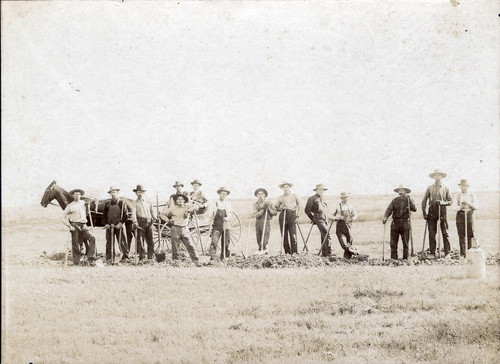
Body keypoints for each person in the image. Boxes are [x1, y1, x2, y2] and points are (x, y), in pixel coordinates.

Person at [421, 169, 453, 258]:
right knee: (432, 232)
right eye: (435, 175)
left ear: (442, 177)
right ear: (433, 177)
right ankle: (432, 253)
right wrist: (424, 212)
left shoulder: (446, 188)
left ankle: (447, 253)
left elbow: (450, 201)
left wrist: (443, 203)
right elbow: (424, 200)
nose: (437, 177)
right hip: (432, 210)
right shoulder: (429, 188)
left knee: (445, 232)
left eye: (439, 175)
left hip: (442, 210)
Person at [160, 194, 200, 263]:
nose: (180, 200)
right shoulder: (172, 208)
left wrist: (189, 210)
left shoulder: (187, 206)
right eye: (178, 199)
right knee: (175, 247)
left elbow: (196, 206)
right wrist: (168, 220)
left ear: (184, 200)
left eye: (182, 199)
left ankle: (196, 261)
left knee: (190, 245)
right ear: (176, 201)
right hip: (175, 228)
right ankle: (176, 262)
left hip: (185, 228)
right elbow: (162, 214)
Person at [61, 189, 96, 266]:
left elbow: (89, 208)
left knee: (92, 238)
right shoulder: (70, 206)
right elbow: (62, 217)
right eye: (76, 194)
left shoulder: (83, 203)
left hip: (83, 225)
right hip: (75, 226)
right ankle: (76, 262)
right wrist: (69, 226)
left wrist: (89, 205)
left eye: (79, 194)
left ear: (81, 195)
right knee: (75, 243)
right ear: (73, 195)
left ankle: (90, 258)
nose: (77, 195)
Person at [383, 185, 417, 260]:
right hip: (395, 223)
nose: (401, 192)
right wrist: (385, 217)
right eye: (399, 190)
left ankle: (405, 258)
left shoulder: (409, 200)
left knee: (405, 242)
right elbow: (389, 210)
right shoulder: (395, 200)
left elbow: (414, 209)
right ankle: (394, 258)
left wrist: (410, 200)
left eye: (402, 190)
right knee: (393, 243)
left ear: (406, 192)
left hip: (405, 223)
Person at [102, 186, 130, 263]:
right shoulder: (107, 203)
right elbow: (104, 216)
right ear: (110, 193)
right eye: (111, 192)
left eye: (114, 192)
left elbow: (126, 214)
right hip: (110, 226)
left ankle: (125, 257)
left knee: (122, 242)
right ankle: (109, 258)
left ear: (117, 193)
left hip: (119, 226)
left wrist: (121, 223)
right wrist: (106, 224)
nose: (113, 194)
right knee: (109, 243)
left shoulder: (122, 202)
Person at [274, 181, 302, 255]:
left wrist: (298, 216)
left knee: (293, 235)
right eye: (284, 187)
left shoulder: (294, 195)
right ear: (282, 188)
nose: (286, 188)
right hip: (283, 215)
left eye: (287, 187)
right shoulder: (280, 198)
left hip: (292, 214)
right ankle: (287, 253)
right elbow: (276, 207)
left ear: (289, 187)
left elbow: (300, 205)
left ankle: (295, 252)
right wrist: (280, 207)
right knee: (284, 235)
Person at [305, 184, 332, 257]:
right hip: (318, 218)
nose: (321, 191)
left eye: (322, 190)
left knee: (324, 236)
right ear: (316, 190)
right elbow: (307, 210)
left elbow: (325, 210)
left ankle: (325, 254)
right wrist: (313, 219)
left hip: (325, 219)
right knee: (327, 234)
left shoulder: (324, 198)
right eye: (319, 189)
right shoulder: (312, 198)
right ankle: (329, 253)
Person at [131, 184, 156, 260]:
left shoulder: (148, 202)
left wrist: (154, 217)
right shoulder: (135, 202)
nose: (140, 194)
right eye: (138, 192)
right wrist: (135, 221)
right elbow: (133, 213)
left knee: (150, 240)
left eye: (141, 192)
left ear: (143, 193)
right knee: (140, 241)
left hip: (149, 222)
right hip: (140, 222)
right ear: (136, 193)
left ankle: (150, 257)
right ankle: (142, 258)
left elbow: (152, 210)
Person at [455, 179, 479, 257]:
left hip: (469, 215)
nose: (463, 188)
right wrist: (460, 207)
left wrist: (469, 204)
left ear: (468, 186)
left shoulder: (472, 195)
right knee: (461, 235)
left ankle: (470, 253)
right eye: (462, 186)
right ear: (460, 186)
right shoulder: (457, 195)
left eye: (465, 186)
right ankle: (463, 254)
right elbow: (453, 208)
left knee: (471, 234)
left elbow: (477, 206)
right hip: (460, 215)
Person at [208, 187, 233, 260]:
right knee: (214, 241)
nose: (224, 195)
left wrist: (227, 218)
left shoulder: (227, 204)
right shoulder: (214, 204)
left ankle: (224, 257)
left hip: (226, 225)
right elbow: (210, 215)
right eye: (222, 194)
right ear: (219, 194)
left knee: (226, 242)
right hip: (216, 226)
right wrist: (210, 222)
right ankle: (212, 258)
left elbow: (230, 214)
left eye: (225, 194)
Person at [332, 192, 358, 259]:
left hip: (348, 227)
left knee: (350, 242)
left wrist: (352, 218)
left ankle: (347, 259)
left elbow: (355, 214)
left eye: (346, 197)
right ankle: (355, 252)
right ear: (341, 198)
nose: (345, 199)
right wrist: (336, 218)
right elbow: (330, 215)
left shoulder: (350, 206)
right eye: (343, 197)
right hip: (340, 227)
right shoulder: (337, 206)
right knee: (344, 244)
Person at [252, 188, 277, 254]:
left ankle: (264, 248)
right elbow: (256, 215)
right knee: (258, 235)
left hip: (266, 221)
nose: (260, 195)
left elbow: (275, 213)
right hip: (258, 222)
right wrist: (262, 210)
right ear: (257, 195)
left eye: (262, 194)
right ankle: (260, 248)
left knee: (265, 235)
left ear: (265, 195)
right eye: (259, 194)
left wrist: (269, 209)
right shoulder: (255, 204)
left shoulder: (269, 203)